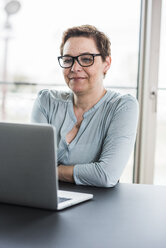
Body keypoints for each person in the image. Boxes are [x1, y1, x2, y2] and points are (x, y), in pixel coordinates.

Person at [31, 24, 139, 187]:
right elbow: (33, 164)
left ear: (106, 63)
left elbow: (106, 175)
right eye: (68, 60)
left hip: (98, 205)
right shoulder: (46, 101)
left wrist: (52, 171)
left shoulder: (123, 107)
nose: (75, 68)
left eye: (86, 59)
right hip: (45, 197)